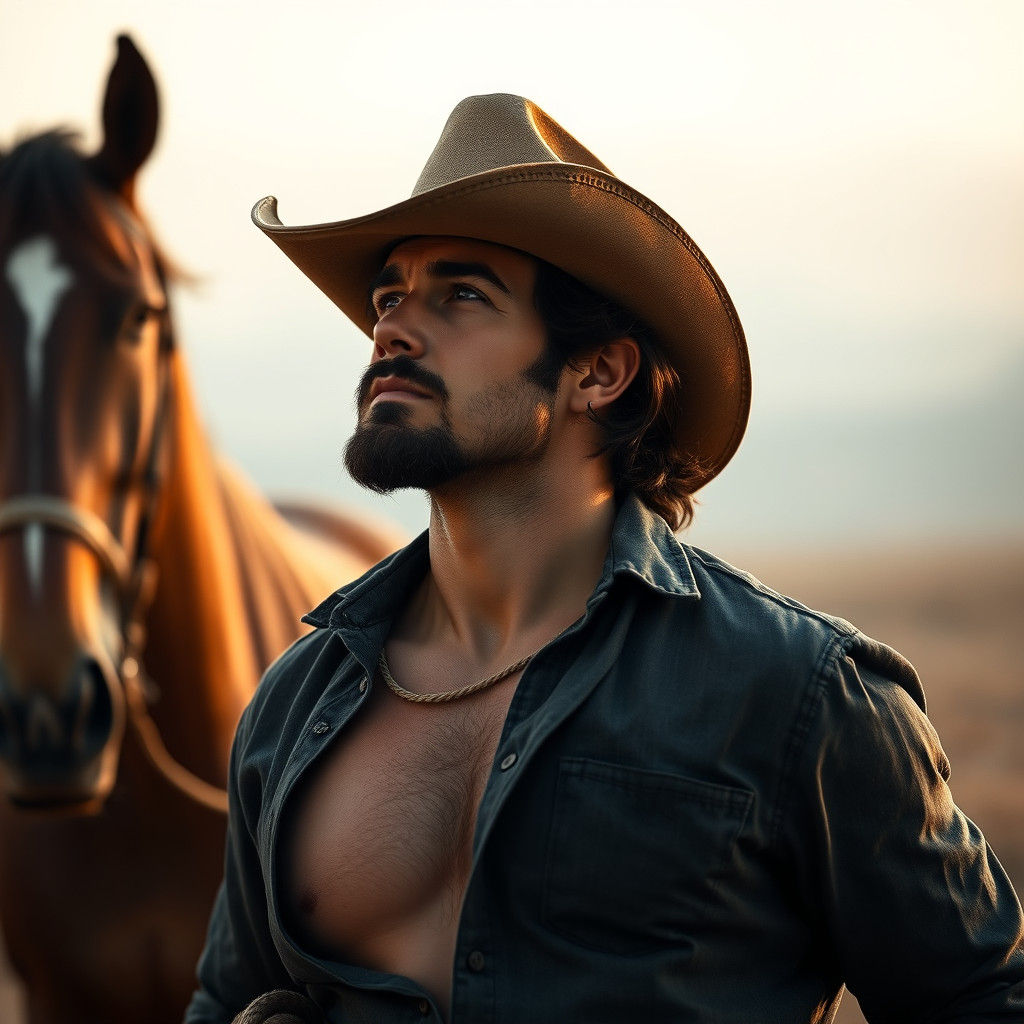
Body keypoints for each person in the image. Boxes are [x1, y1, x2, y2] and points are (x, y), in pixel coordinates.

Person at [185, 95, 1024, 1024]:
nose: (392, 329)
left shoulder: (797, 693)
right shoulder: (296, 704)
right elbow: (225, 1000)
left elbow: (981, 997)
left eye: (461, 295)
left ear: (600, 372)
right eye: (389, 297)